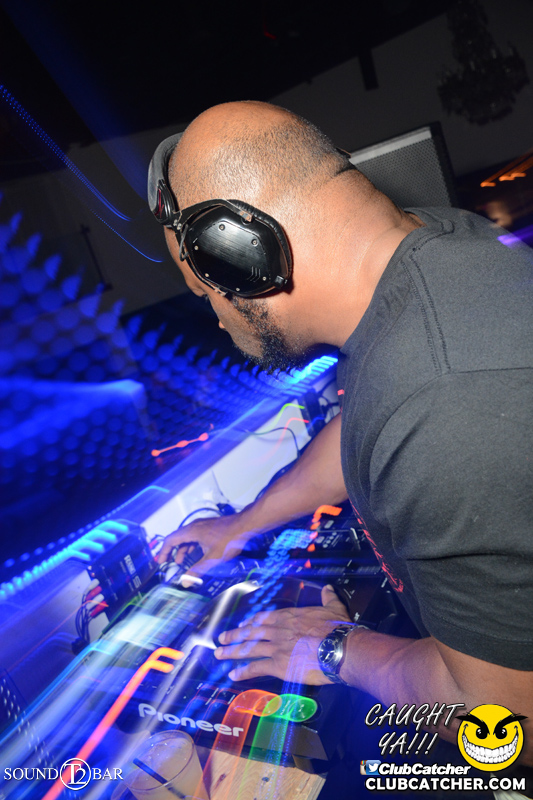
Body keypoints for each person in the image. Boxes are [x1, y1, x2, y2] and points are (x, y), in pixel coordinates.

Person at [152, 101, 533, 769]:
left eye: (204, 290)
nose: (215, 318)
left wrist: (332, 648)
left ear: (245, 257)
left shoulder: (444, 402)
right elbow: (370, 423)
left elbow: (506, 724)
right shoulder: (437, 245)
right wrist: (241, 525)